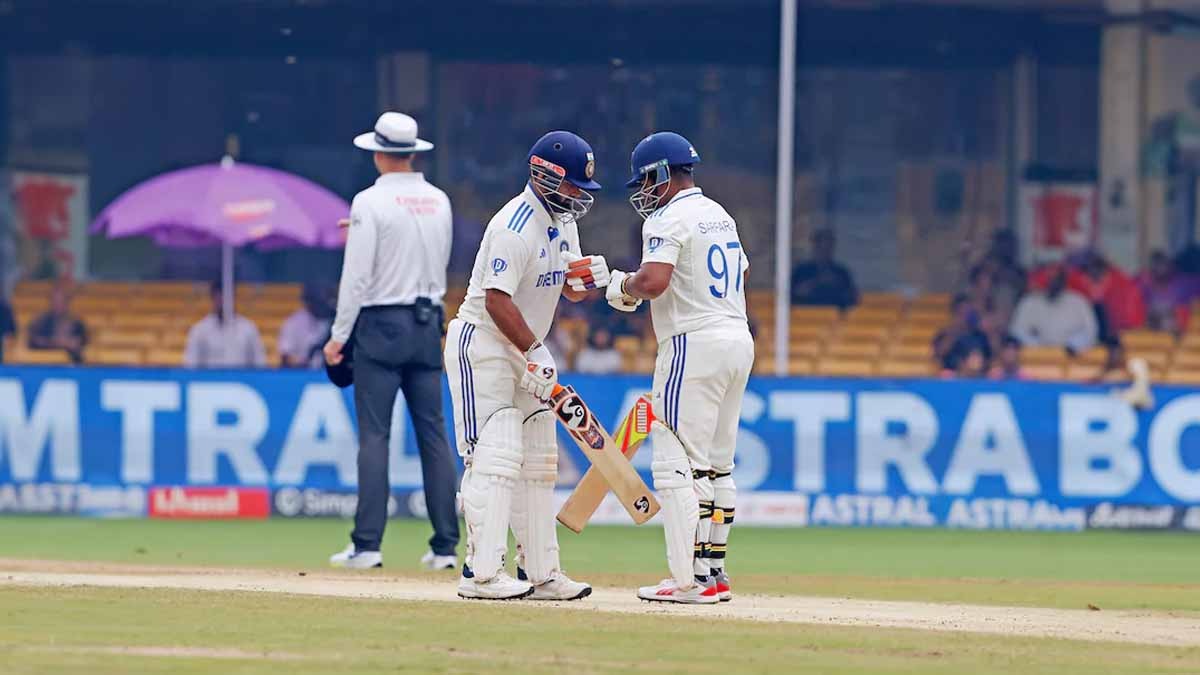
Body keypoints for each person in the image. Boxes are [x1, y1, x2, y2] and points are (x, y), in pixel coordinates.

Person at [445, 130, 603, 601]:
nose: (578, 196)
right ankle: (480, 574)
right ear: (545, 175)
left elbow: (566, 284)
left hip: (523, 348)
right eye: (573, 186)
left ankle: (542, 574)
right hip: (485, 346)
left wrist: (586, 278)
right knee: (493, 456)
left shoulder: (563, 219)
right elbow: (496, 300)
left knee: (538, 462)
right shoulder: (513, 225)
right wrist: (535, 349)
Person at [603, 131, 754, 604]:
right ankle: (713, 574)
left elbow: (653, 281)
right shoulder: (719, 213)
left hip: (693, 341)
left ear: (663, 174)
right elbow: (741, 271)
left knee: (677, 462)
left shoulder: (668, 217)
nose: (642, 192)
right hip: (737, 336)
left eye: (645, 181)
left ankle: (687, 580)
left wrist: (619, 286)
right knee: (717, 467)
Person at [324, 112, 460, 572]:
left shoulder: (368, 201)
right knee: (434, 435)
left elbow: (357, 277)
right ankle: (445, 546)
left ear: (379, 153)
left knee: (374, 436)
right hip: (427, 322)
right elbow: (428, 253)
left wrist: (338, 337)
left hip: (381, 325)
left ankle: (367, 545)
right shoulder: (439, 200)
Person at [1009, 265, 1097, 354]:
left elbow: (1090, 331)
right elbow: (1017, 331)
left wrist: (1073, 345)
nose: (1052, 283)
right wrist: (1036, 345)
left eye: (1056, 279)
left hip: (1071, 358)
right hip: (1036, 357)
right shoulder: (1029, 302)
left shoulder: (1078, 302)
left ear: (1063, 281)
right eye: (1049, 278)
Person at [182, 281, 267, 368]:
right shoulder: (199, 330)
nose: (223, 303)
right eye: (219, 298)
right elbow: (191, 365)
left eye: (227, 298)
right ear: (212, 299)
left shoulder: (248, 329)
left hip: (241, 380)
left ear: (234, 298)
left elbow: (259, 363)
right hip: (211, 380)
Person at [789, 229, 857, 310]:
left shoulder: (841, 272)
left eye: (828, 248)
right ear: (814, 247)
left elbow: (852, 298)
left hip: (835, 318)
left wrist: (836, 283)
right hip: (804, 317)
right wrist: (815, 282)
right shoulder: (801, 271)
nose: (824, 251)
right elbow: (790, 297)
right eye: (821, 247)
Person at [28, 285, 88, 364]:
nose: (58, 304)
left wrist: (72, 344)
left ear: (67, 303)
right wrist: (58, 343)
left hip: (70, 367)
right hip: (44, 364)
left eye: (61, 301)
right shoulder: (40, 322)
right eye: (55, 301)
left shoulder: (77, 323)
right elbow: (34, 341)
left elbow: (82, 342)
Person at [279, 283, 333, 368]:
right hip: (301, 374)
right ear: (308, 302)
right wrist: (304, 362)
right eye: (318, 302)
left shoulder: (333, 321)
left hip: (328, 374)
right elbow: (286, 356)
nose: (322, 306)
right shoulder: (293, 323)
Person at [932, 294, 990, 371]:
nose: (964, 316)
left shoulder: (980, 335)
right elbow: (938, 355)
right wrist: (953, 333)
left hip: (976, 378)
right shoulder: (945, 333)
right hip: (950, 377)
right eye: (961, 312)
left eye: (967, 312)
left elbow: (990, 358)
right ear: (954, 313)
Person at [1138, 250, 1191, 333]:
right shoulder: (1143, 282)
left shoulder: (1181, 284)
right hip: (1151, 325)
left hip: (1173, 327)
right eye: (1156, 265)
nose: (1160, 268)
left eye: (1162, 265)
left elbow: (1183, 311)